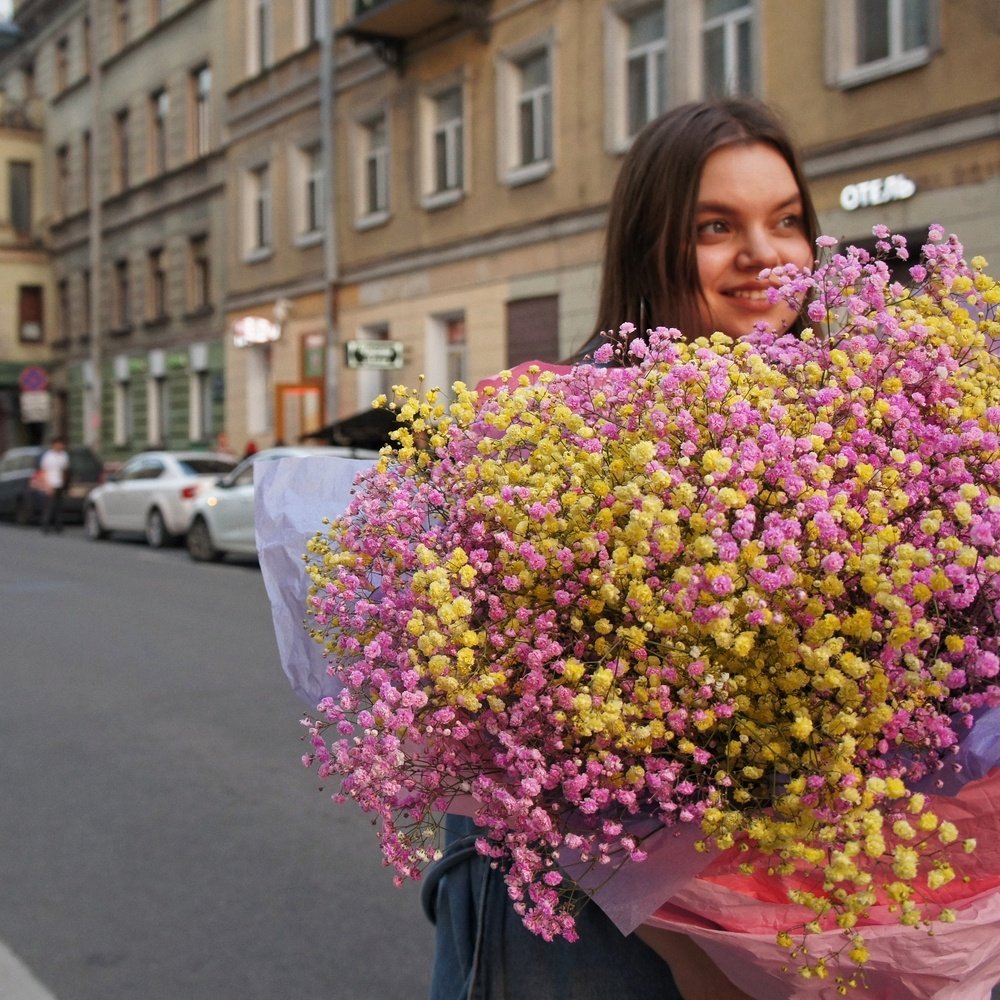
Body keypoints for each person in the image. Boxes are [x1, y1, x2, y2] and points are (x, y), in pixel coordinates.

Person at [423, 97, 820, 1000]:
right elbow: (521, 738)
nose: (765, 255)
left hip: (790, 932)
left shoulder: (849, 438)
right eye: (716, 227)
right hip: (598, 945)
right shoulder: (553, 430)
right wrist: (697, 949)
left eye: (787, 220)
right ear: (650, 245)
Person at [38, 438, 70, 534]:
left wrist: (64, 482)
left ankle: (58, 526)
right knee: (49, 506)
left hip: (59, 483)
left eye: (61, 444)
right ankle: (45, 526)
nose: (60, 446)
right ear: (54, 445)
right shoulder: (48, 456)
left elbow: (64, 470)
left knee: (59, 506)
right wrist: (46, 485)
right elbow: (43, 471)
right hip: (50, 483)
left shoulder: (64, 456)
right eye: (58, 444)